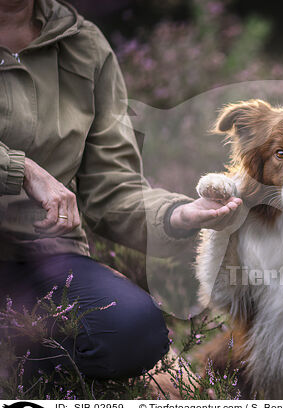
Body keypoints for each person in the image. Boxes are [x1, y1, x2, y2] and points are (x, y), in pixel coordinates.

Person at [0, 0, 241, 381]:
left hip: (44, 262)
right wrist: (20, 169)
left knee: (134, 331)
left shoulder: (83, 45)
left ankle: (28, 377)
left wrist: (177, 215)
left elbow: (112, 187)